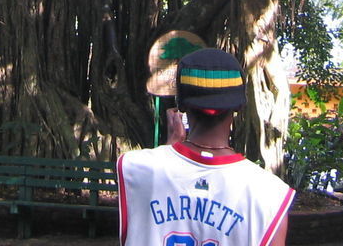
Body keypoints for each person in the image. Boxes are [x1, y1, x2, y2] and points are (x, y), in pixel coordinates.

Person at [117, 48, 295, 246]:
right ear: (239, 106)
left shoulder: (136, 168)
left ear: (181, 105)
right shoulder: (271, 194)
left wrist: (171, 144)